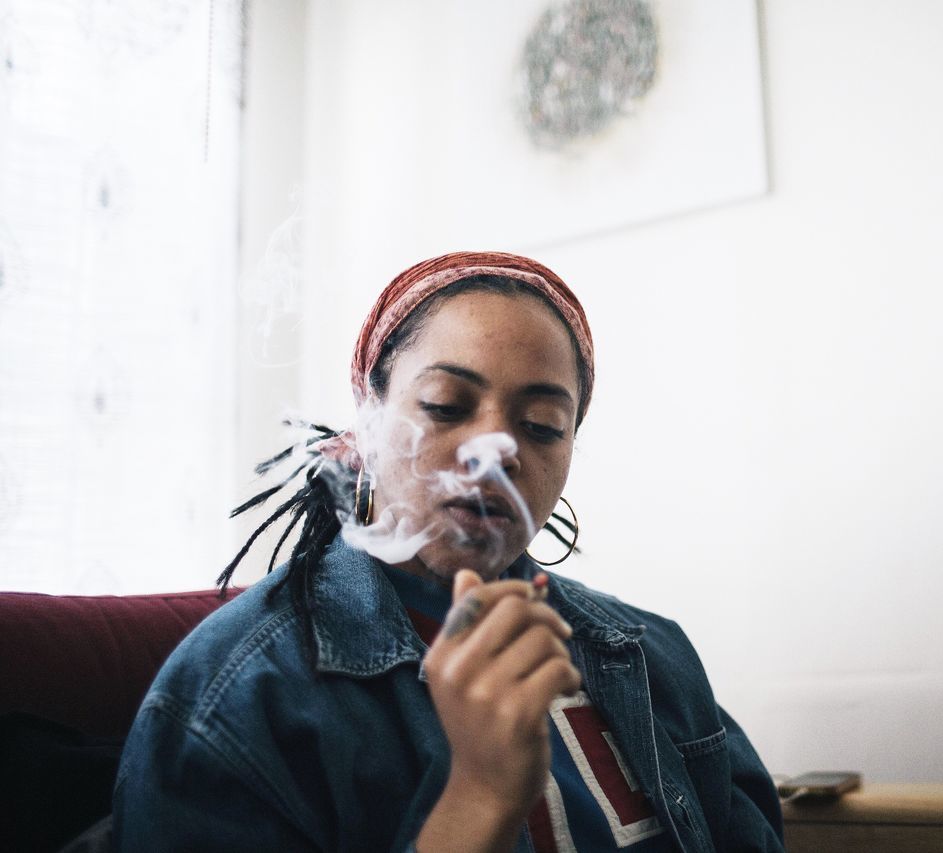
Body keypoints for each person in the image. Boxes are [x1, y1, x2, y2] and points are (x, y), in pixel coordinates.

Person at [112, 251, 784, 852]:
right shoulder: (235, 700)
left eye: (541, 425)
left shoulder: (652, 656)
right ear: (368, 414)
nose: (492, 452)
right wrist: (480, 796)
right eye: (444, 404)